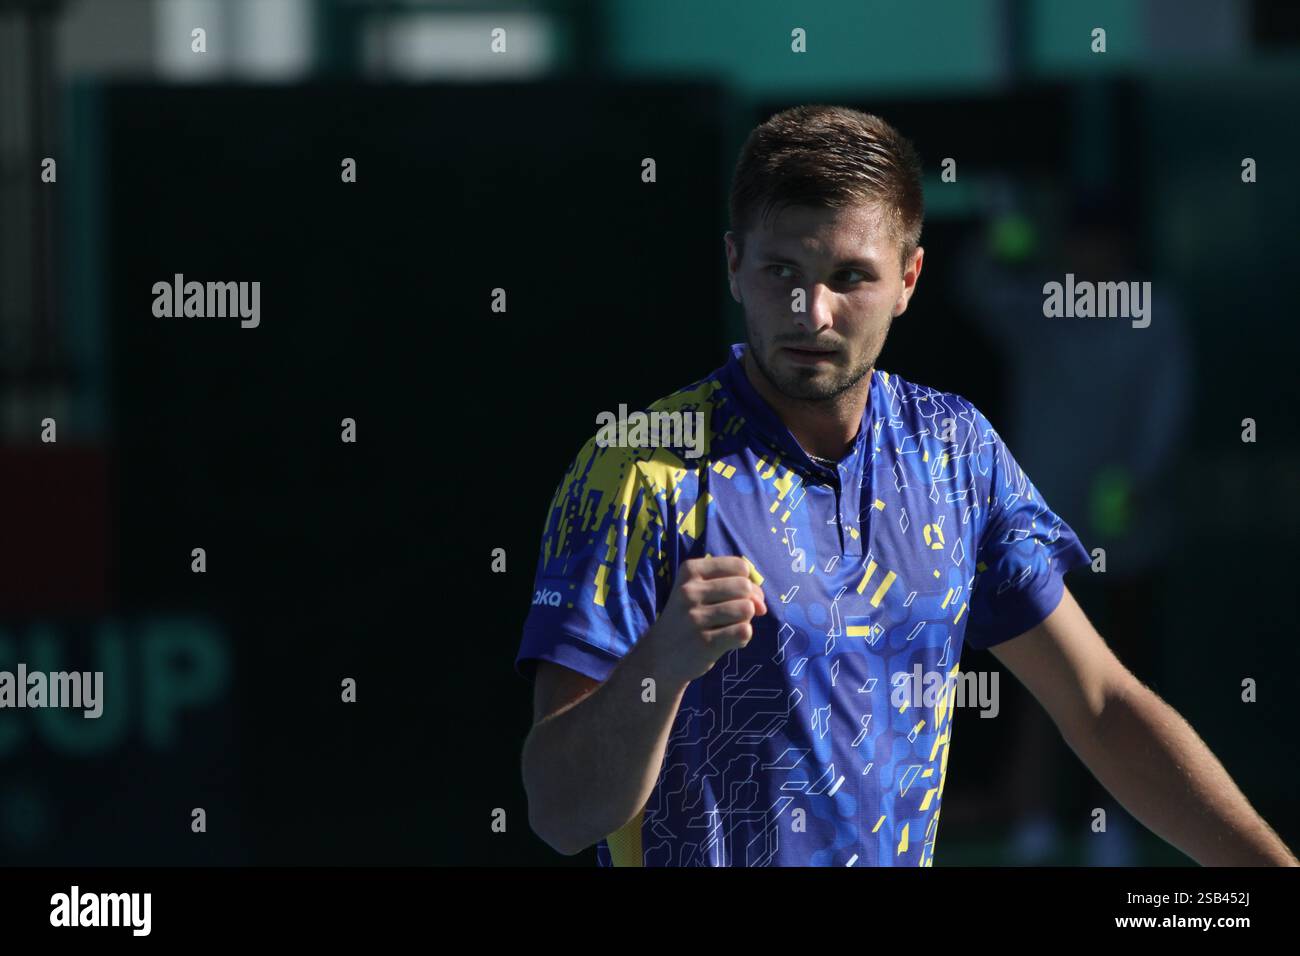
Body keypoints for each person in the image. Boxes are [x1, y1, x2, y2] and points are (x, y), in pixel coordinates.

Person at [515, 104, 1296, 867]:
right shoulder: (636, 470)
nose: (811, 312)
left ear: (909, 279)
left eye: (849, 276)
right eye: (781, 269)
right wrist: (661, 665)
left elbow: (1101, 707)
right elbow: (560, 815)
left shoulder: (958, 451)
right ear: (733, 264)